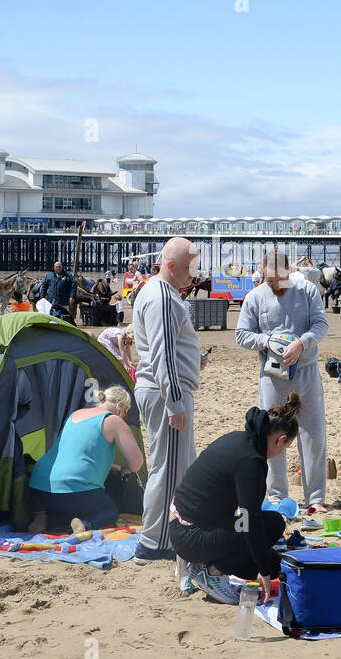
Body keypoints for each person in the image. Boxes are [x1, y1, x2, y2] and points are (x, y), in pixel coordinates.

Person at [169, 395, 302, 604]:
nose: (280, 452)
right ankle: (212, 571)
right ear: (281, 439)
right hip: (191, 536)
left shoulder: (239, 439)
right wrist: (265, 570)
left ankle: (200, 562)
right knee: (272, 560)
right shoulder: (251, 462)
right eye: (284, 448)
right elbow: (251, 521)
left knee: (273, 527)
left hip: (182, 524)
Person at [235, 249, 330, 512]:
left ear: (289, 271)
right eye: (268, 279)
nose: (273, 284)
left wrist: (301, 343)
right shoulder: (255, 296)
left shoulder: (307, 290)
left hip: (307, 370)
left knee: (313, 434)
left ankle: (315, 499)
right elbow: (241, 334)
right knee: (270, 433)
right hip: (272, 375)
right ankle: (276, 496)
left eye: (278, 279)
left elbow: (321, 325)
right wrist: (267, 341)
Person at [132, 237, 207, 564]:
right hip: (166, 394)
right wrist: (175, 403)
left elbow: (164, 350)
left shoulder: (156, 291)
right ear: (172, 265)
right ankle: (154, 543)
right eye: (190, 267)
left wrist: (194, 360)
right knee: (169, 469)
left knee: (175, 465)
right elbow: (161, 355)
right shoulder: (162, 296)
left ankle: (163, 536)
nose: (195, 274)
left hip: (163, 389)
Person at [27, 386, 145, 537]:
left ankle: (43, 517)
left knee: (65, 505)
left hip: (38, 486)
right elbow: (137, 463)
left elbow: (73, 456)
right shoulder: (113, 420)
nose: (125, 417)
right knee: (109, 511)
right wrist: (126, 469)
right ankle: (84, 524)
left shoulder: (76, 414)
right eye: (126, 412)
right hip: (72, 490)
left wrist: (113, 467)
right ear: (121, 406)